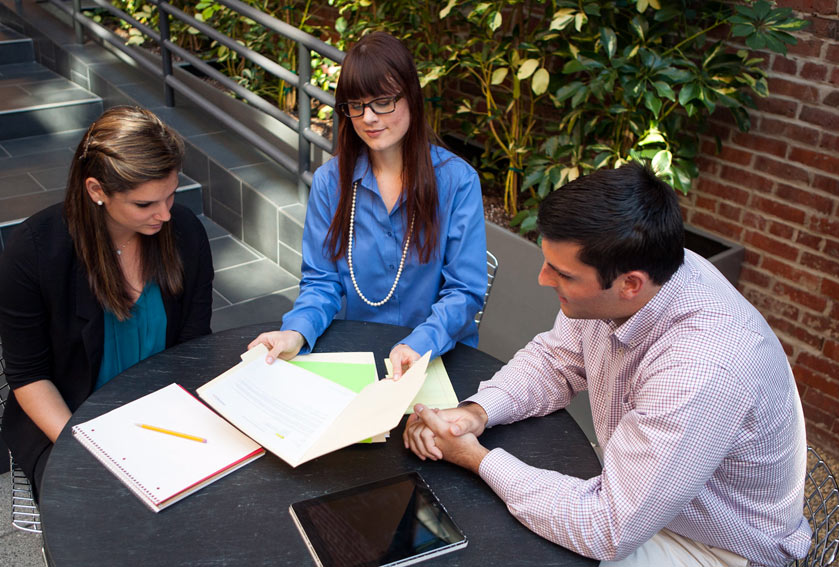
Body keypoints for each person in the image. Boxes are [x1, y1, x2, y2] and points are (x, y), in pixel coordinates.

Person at [403, 163, 810, 566]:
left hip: (714, 544)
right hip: (643, 491)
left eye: (562, 273)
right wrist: (476, 414)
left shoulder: (700, 369)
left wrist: (475, 458)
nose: (543, 279)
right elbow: (555, 361)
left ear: (630, 284)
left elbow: (607, 528)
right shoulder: (643, 271)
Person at [0, 106, 214, 500]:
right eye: (145, 204)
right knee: (104, 511)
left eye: (171, 195)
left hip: (164, 411)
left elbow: (194, 344)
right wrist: (86, 448)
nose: (165, 215)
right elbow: (29, 375)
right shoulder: (34, 251)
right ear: (97, 190)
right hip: (69, 422)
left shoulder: (184, 232)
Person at [249, 32, 487, 378]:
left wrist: (419, 344)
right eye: (356, 105)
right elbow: (321, 283)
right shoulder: (331, 183)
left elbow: (464, 291)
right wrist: (295, 332)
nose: (369, 117)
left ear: (412, 96)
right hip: (363, 357)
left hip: (439, 357)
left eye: (383, 101)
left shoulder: (457, 181)